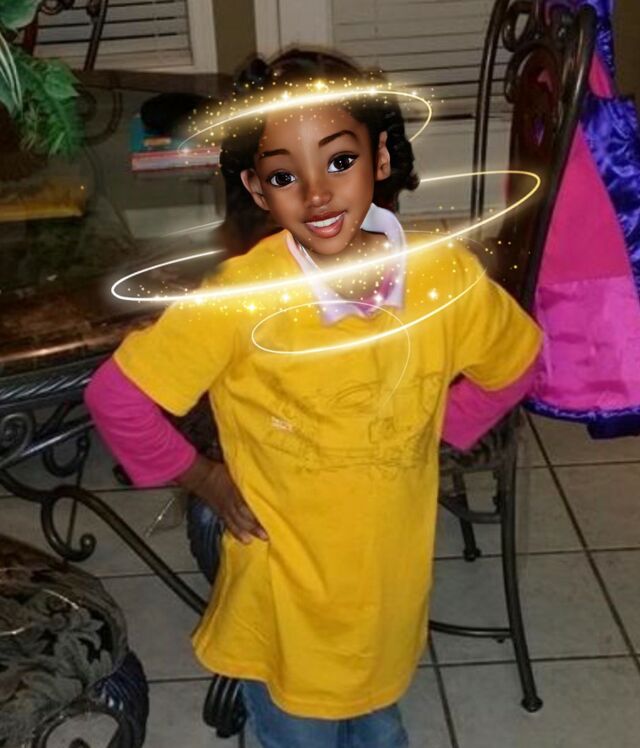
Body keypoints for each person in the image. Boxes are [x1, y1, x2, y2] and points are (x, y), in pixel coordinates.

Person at [85, 48, 541, 748]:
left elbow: (516, 360)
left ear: (379, 157)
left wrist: (439, 429)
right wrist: (205, 478)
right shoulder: (240, 300)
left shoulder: (444, 277)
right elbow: (118, 398)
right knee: (299, 728)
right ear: (256, 188)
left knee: (379, 721)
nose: (317, 193)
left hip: (386, 586)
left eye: (339, 161)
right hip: (286, 595)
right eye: (283, 175)